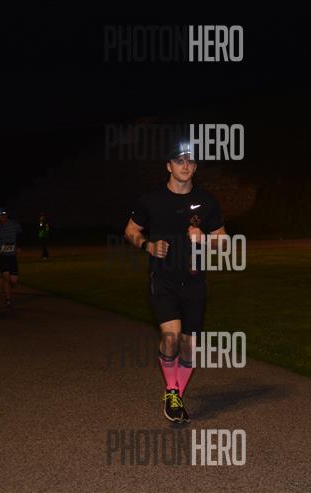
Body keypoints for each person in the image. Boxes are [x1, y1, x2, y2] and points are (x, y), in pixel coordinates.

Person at [124, 141, 226, 423]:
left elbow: (223, 240)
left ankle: (175, 395)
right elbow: (130, 230)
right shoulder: (151, 199)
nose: (185, 166)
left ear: (195, 167)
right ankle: (172, 392)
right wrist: (147, 245)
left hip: (194, 281)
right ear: (169, 166)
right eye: (179, 161)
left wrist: (205, 239)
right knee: (171, 337)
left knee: (189, 346)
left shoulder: (207, 201)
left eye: (190, 162)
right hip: (163, 279)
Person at [0, 208, 22, 308]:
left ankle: (7, 286)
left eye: (3, 214)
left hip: (12, 256)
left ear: (7, 215)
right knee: (6, 277)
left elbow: (20, 235)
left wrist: (19, 246)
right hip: (2, 256)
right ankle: (8, 300)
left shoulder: (14, 225)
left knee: (13, 281)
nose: (1, 217)